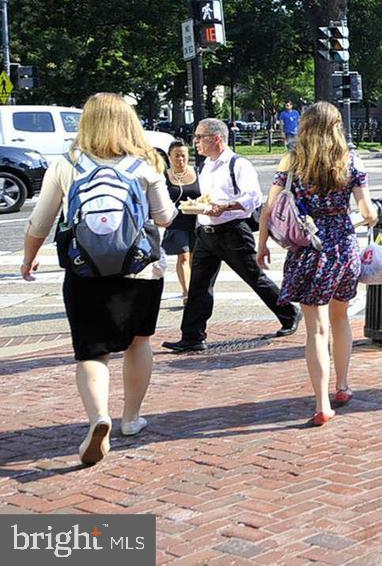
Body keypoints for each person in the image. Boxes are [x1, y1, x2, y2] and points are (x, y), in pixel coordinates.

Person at [20, 93, 178, 466]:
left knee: (92, 350)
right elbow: (165, 217)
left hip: (84, 269)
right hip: (140, 270)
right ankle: (130, 419)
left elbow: (40, 221)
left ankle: (98, 417)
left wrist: (29, 259)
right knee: (139, 342)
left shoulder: (66, 164)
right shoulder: (146, 164)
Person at [258, 102, 378, 426]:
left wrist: (261, 247)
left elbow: (269, 209)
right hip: (343, 248)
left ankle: (322, 403)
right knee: (341, 319)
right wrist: (366, 217)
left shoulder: (292, 162)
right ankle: (343, 385)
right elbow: (367, 211)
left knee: (316, 329)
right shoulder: (351, 161)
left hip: (308, 249)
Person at [163, 119, 299, 353]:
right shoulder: (206, 165)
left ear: (217, 138)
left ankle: (289, 312)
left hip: (232, 231)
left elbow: (252, 198)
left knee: (254, 277)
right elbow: (205, 199)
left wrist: (224, 207)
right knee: (199, 286)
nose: (196, 142)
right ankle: (193, 336)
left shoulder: (238, 164)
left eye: (200, 137)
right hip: (206, 232)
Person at [161, 140, 200, 301]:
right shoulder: (164, 176)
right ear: (169, 157)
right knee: (183, 256)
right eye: (176, 156)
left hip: (197, 220)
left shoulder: (198, 172)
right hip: (176, 222)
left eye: (183, 156)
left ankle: (195, 289)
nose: (180, 159)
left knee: (194, 257)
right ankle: (186, 293)